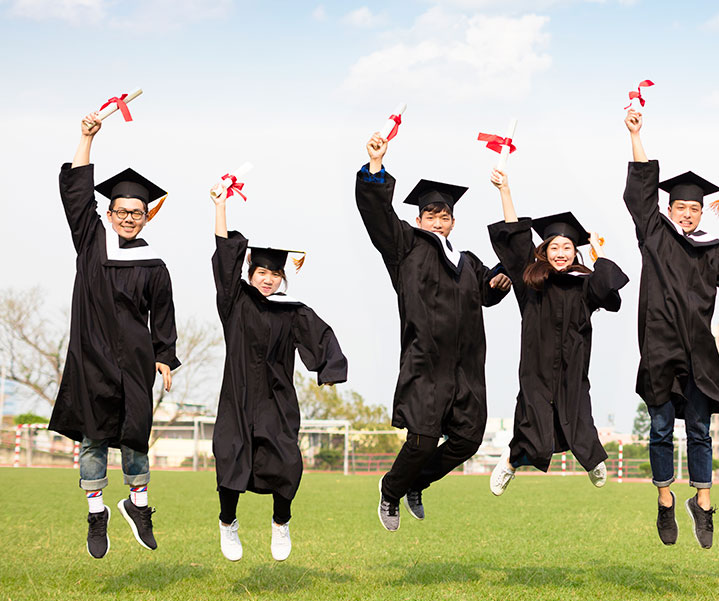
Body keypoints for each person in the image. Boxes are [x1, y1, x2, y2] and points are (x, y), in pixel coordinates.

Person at [623, 109, 719, 549]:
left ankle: (703, 504)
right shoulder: (654, 233)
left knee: (700, 431)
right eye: (681, 207)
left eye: (694, 208)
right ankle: (666, 499)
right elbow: (640, 194)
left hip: (699, 353)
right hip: (658, 349)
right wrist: (637, 136)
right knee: (659, 428)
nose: (687, 214)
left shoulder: (715, 249)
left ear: (701, 211)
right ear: (669, 210)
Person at [355, 132, 512, 530]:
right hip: (426, 363)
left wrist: (498, 283)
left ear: (454, 221)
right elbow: (377, 217)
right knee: (422, 440)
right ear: (419, 219)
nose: (439, 222)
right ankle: (391, 491)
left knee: (468, 440)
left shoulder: (467, 261)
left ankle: (414, 483)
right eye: (431, 216)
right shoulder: (405, 247)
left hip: (466, 369)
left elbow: (486, 293)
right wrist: (375, 167)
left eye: (445, 217)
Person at [50, 112, 179, 559]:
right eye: (122, 211)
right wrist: (86, 138)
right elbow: (77, 195)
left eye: (137, 212)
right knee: (93, 436)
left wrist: (164, 355)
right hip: (91, 356)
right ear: (110, 212)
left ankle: (138, 505)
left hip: (136, 360)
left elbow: (163, 312)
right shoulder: (91, 241)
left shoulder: (154, 263)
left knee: (136, 432)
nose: (128, 217)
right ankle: (96, 512)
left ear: (146, 217)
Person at [209, 185, 348, 562]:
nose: (267, 279)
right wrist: (221, 208)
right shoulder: (234, 302)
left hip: (276, 400)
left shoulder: (292, 310)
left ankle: (281, 522)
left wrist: (330, 368)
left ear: (282, 276)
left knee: (287, 463)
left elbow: (321, 336)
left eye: (274, 273)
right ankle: (227, 523)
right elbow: (224, 260)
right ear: (250, 272)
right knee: (231, 460)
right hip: (237, 398)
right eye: (261, 272)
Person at [485, 168, 629, 495]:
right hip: (535, 369)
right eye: (554, 247)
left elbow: (612, 294)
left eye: (566, 247)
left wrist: (598, 250)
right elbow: (515, 237)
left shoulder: (585, 284)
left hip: (573, 367)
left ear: (574, 252)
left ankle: (592, 459)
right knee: (531, 420)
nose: (561, 252)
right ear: (544, 252)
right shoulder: (530, 282)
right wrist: (505, 189)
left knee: (578, 416)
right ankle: (510, 462)